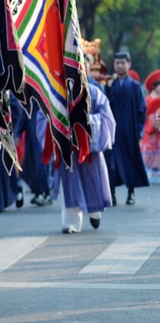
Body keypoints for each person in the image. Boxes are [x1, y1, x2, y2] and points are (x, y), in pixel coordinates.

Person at [57, 73, 116, 233]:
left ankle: (94, 212)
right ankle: (71, 222)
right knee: (69, 183)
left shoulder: (94, 92)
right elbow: (44, 116)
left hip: (90, 146)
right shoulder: (56, 91)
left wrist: (87, 123)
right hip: (67, 146)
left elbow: (106, 116)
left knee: (93, 180)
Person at [105, 52, 149, 205]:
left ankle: (131, 192)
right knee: (112, 164)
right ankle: (112, 193)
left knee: (130, 162)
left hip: (129, 131)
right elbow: (106, 107)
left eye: (123, 63)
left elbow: (141, 110)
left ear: (129, 65)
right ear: (114, 65)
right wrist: (108, 89)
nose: (120, 66)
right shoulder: (111, 85)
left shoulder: (135, 86)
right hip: (113, 132)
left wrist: (138, 130)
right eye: (117, 63)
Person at [142, 79, 160, 183]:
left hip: (157, 130)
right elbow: (145, 114)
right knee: (149, 150)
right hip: (150, 128)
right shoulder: (148, 99)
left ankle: (156, 170)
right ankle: (147, 171)